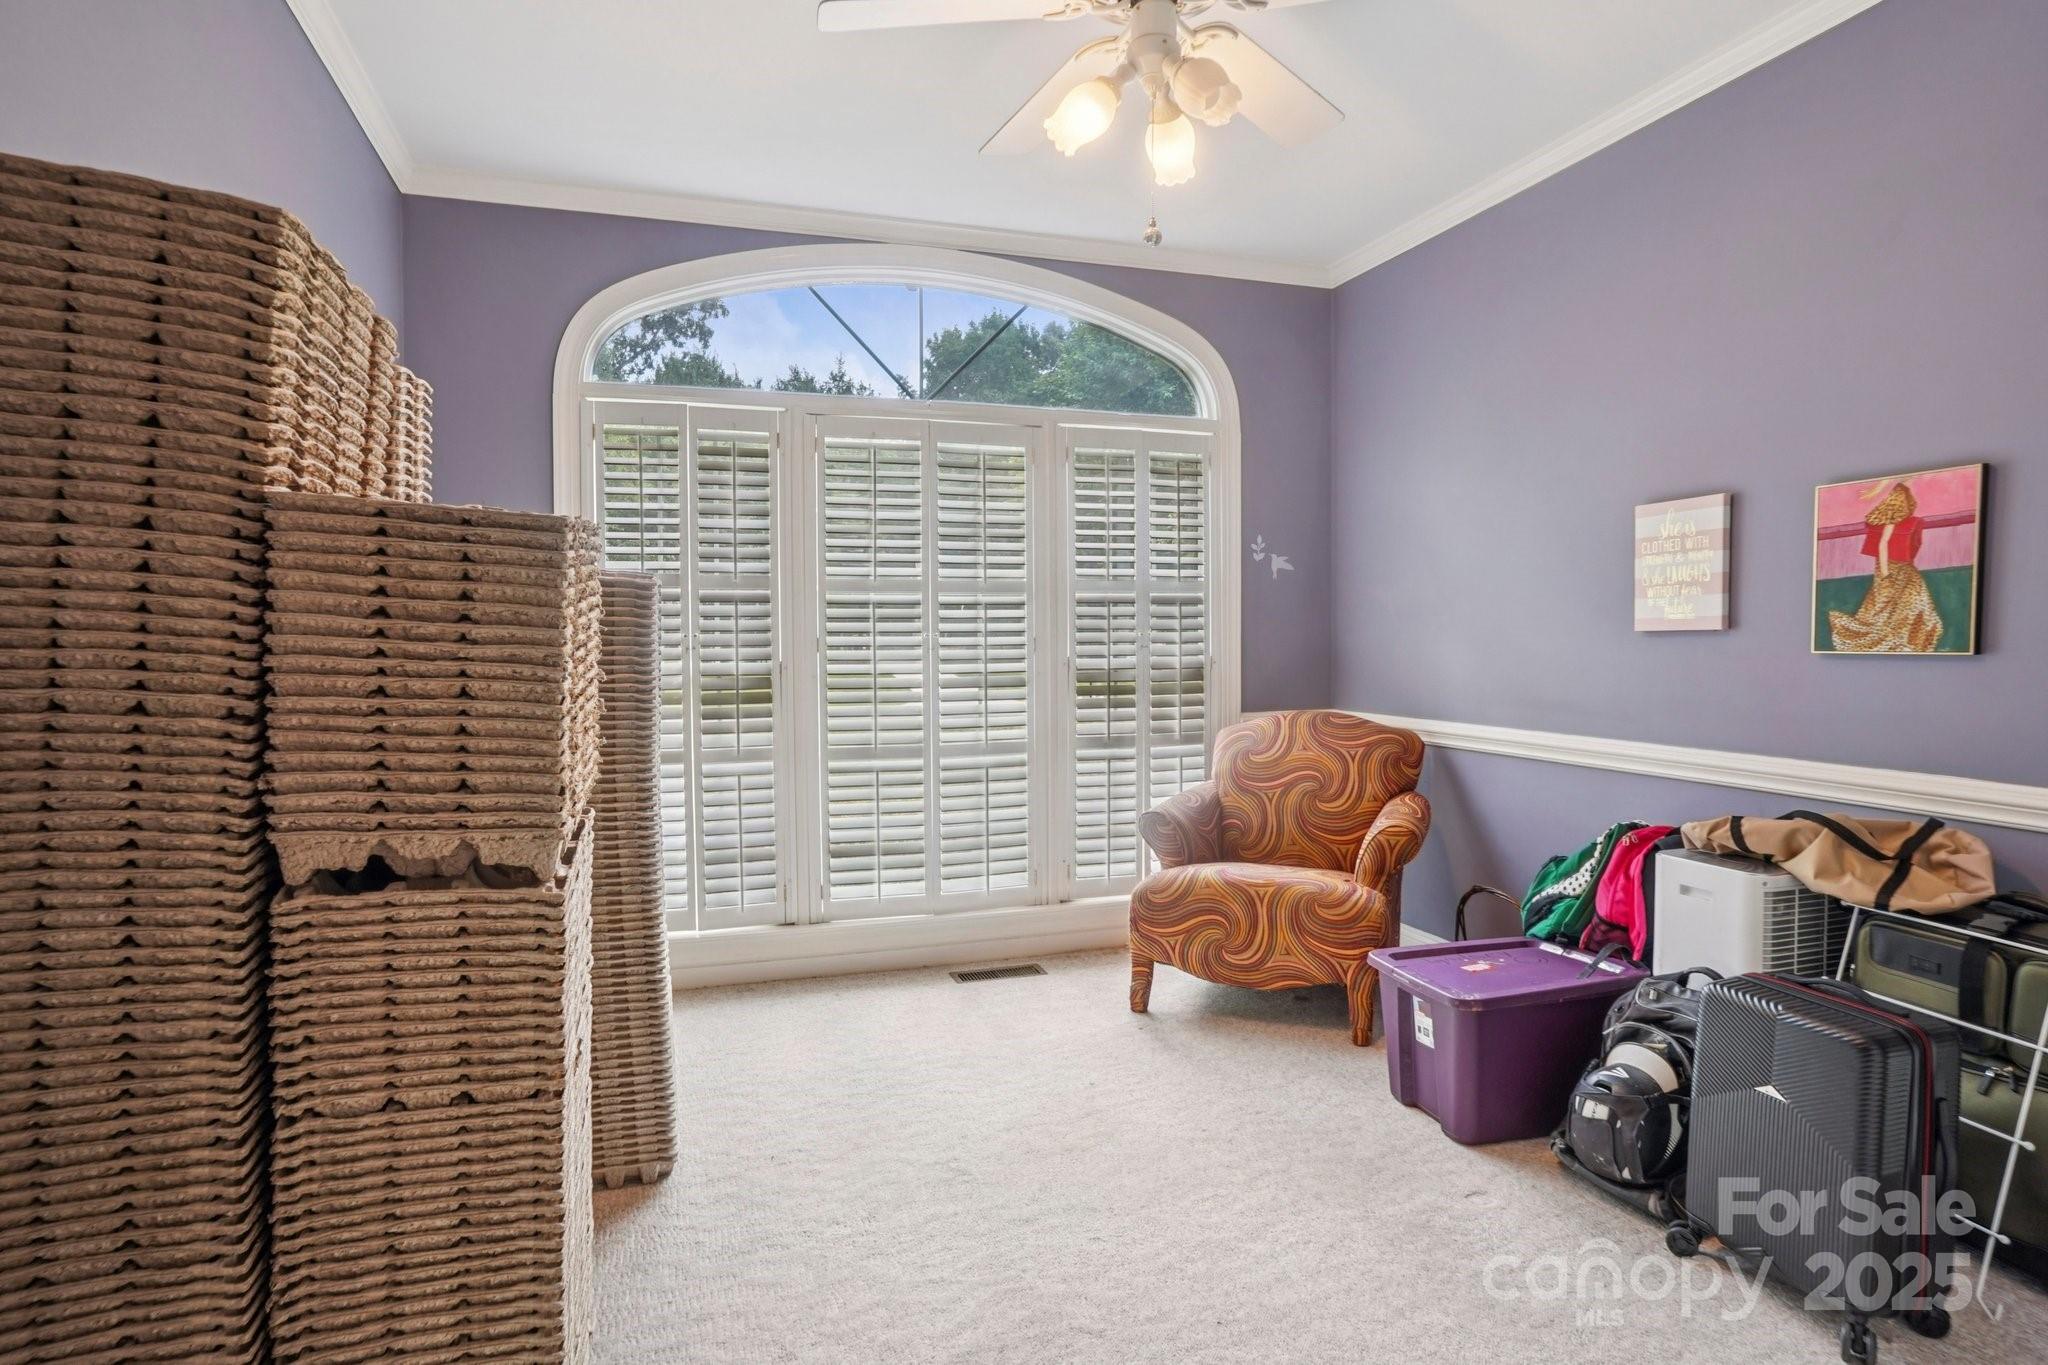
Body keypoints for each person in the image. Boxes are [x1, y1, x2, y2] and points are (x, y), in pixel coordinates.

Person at [1827, 479, 1943, 652]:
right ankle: (1894, 640)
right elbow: (1883, 545)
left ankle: (1913, 640)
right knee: (1885, 609)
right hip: (1889, 568)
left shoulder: (1911, 521)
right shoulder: (1891, 522)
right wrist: (1886, 573)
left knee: (1918, 601)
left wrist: (1879, 487)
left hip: (1905, 567)